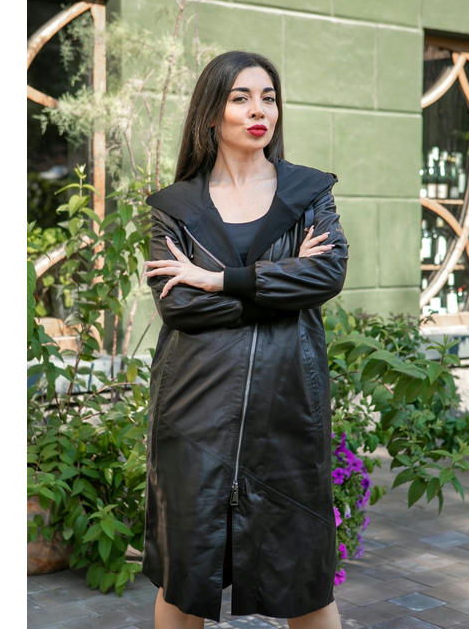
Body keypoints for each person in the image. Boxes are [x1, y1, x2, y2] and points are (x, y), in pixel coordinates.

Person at [143, 50, 349, 629]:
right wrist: (280, 288)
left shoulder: (308, 192)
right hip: (194, 418)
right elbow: (179, 305)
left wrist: (220, 280)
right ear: (212, 112)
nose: (259, 110)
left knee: (306, 585)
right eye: (241, 98)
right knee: (184, 583)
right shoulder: (175, 207)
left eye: (268, 98)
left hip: (288, 413)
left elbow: (327, 275)